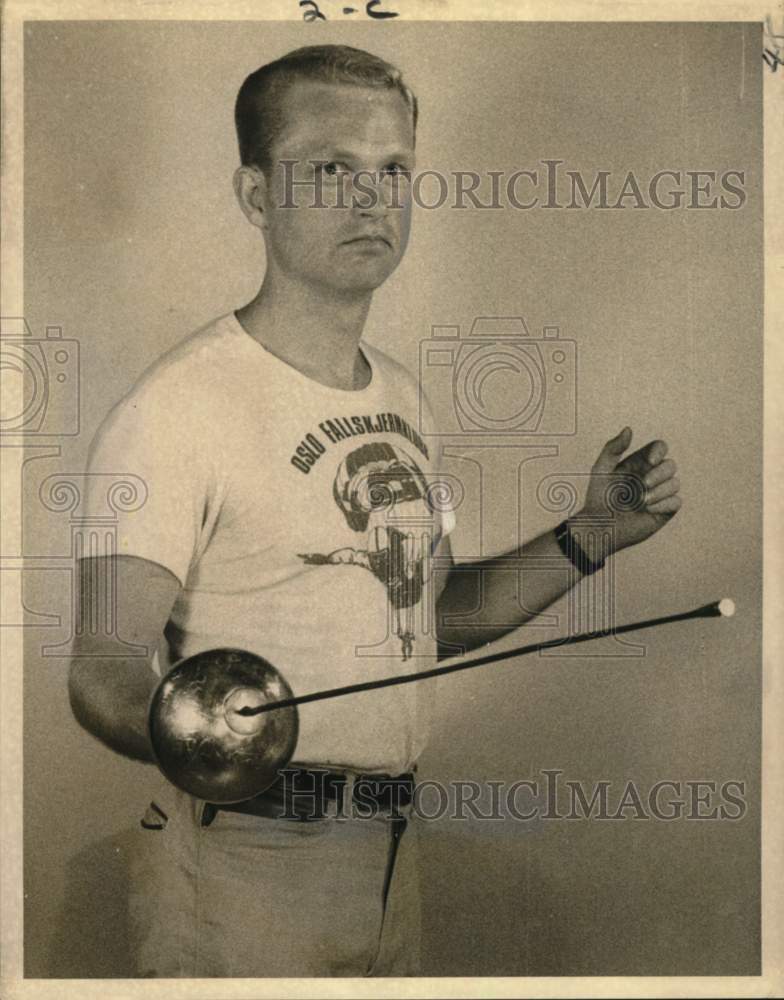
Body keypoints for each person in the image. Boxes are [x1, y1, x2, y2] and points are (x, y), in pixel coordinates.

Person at [68, 44, 682, 978]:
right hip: (240, 856)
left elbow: (426, 619)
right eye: (330, 170)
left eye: (394, 171)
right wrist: (188, 729)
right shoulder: (176, 407)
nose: (371, 200)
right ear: (254, 195)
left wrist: (588, 538)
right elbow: (103, 663)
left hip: (389, 853)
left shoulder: (400, 398)